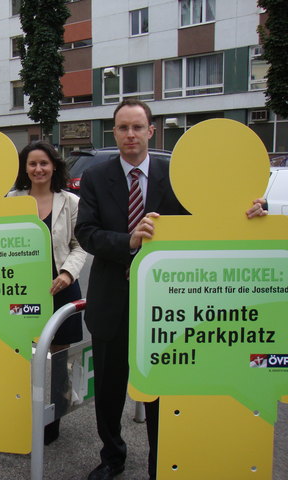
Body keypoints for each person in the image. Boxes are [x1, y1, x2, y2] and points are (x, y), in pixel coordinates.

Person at [74, 99, 267, 480]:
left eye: (137, 127)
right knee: (110, 389)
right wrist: (129, 241)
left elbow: (211, 215)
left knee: (165, 388)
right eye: (123, 128)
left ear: (151, 131)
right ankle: (112, 456)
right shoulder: (96, 177)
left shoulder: (178, 174)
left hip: (168, 307)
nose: (130, 135)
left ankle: (161, 463)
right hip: (113, 300)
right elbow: (86, 233)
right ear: (114, 132)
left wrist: (251, 211)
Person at [8, 140, 88, 444]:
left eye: (43, 163)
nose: (38, 169)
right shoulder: (12, 199)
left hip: (62, 287)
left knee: (59, 357)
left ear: (54, 166)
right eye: (32, 164)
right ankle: (17, 410)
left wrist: (68, 273)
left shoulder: (70, 201)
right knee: (19, 351)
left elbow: (80, 245)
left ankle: (53, 420)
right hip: (23, 289)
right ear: (24, 169)